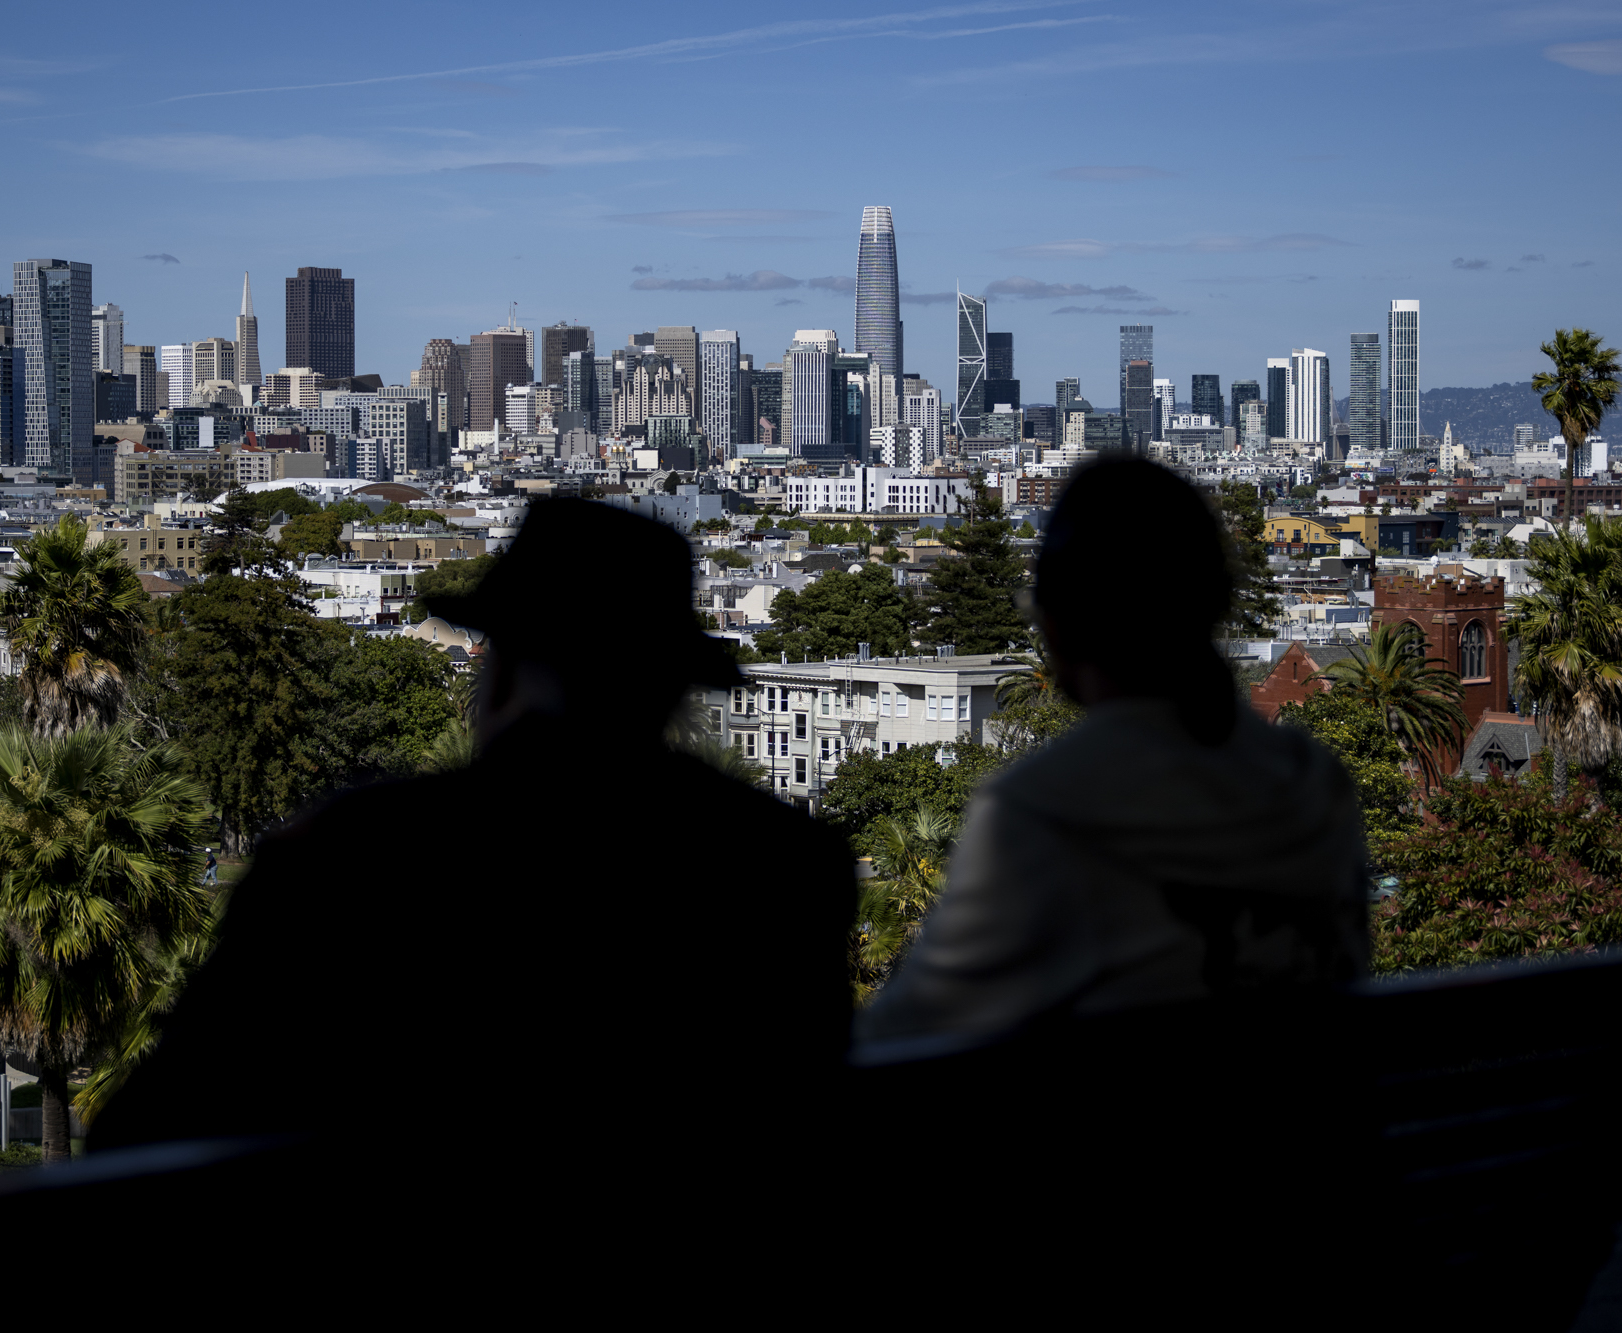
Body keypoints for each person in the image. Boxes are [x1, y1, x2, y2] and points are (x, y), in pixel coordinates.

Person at [92, 499, 856, 1260]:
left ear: (500, 676)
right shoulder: (785, 868)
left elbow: (147, 1131)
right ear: (667, 689)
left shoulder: (356, 857)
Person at [852, 458, 1372, 1303]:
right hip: (1311, 1232)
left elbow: (899, 1048)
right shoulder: (1315, 782)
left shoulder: (1046, 807)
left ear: (1061, 623)